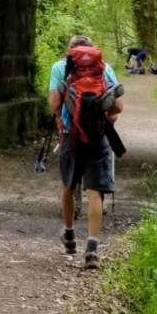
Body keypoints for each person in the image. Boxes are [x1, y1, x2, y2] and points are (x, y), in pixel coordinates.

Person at [48, 35, 122, 269]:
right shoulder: (104, 67)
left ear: (69, 50)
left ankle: (70, 236)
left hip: (71, 136)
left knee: (69, 187)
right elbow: (117, 107)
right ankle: (92, 249)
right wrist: (107, 118)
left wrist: (66, 118)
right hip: (99, 137)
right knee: (95, 192)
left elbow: (55, 106)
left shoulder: (61, 67)